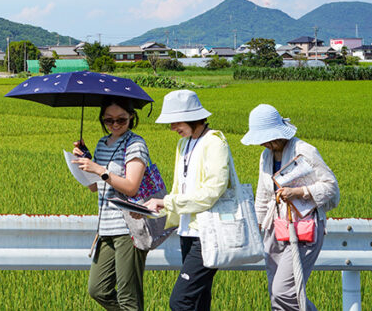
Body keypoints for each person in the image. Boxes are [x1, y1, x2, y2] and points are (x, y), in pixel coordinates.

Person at [241, 104, 339, 311]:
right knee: (276, 298)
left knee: (284, 292)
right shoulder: (266, 156)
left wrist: (299, 192)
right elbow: (263, 194)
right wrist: (257, 226)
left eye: (266, 138)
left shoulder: (304, 150)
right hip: (275, 227)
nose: (263, 144)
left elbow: (331, 187)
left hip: (304, 228)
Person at [143, 90, 230, 311]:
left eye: (175, 121)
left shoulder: (215, 142)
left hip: (208, 234)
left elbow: (213, 191)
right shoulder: (183, 144)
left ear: (192, 117)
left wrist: (167, 203)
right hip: (187, 231)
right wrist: (153, 208)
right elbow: (178, 190)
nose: (172, 128)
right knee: (200, 301)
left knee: (180, 301)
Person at [72, 98, 151, 311]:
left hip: (129, 227)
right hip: (105, 227)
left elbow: (132, 186)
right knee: (98, 290)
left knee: (128, 297)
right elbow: (95, 188)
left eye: (121, 120)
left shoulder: (135, 144)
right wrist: (84, 163)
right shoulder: (101, 144)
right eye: (109, 120)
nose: (115, 124)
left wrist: (99, 169)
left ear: (132, 117)